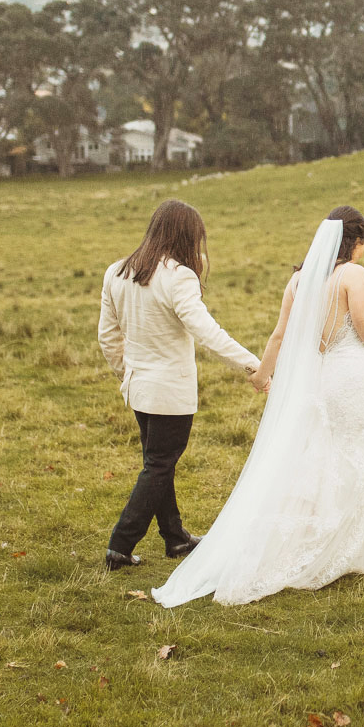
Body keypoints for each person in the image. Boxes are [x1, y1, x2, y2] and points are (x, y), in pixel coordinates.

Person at [152, 206, 364, 607]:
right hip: (354, 381)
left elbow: (280, 336)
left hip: (318, 383)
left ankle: (330, 546)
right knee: (359, 462)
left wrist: (262, 375)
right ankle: (347, 551)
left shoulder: (300, 280)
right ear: (356, 241)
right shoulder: (353, 275)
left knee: (320, 464)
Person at [97, 199, 263, 571]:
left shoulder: (117, 271)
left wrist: (128, 374)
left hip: (138, 388)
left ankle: (175, 538)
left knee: (158, 463)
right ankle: (120, 546)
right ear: (186, 236)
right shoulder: (178, 276)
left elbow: (108, 337)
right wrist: (253, 365)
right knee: (159, 466)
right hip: (169, 393)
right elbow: (206, 331)